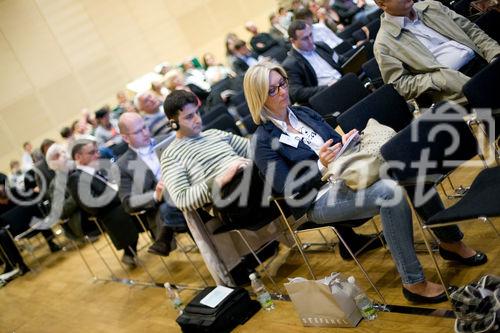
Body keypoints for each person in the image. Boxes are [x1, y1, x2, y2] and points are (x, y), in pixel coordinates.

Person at [244, 61, 487, 303]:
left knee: (408, 167)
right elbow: (288, 189)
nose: (283, 92)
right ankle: (413, 282)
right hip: (316, 199)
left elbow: (334, 143)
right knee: (390, 193)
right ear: (259, 98)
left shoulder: (304, 113)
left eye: (282, 84)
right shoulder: (262, 141)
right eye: (272, 90)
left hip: (347, 173)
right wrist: (320, 165)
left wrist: (347, 141)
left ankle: (451, 242)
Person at [161, 89, 378, 259]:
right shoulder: (171, 155)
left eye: (196, 113)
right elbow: (181, 200)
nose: (197, 120)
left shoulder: (214, 134)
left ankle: (349, 239)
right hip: (229, 201)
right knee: (277, 155)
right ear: (173, 123)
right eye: (189, 117)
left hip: (255, 184)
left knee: (283, 153)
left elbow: (253, 150)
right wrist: (219, 179)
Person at [373, 0, 500, 105]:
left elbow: (472, 32)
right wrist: (438, 80)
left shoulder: (432, 6)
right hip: (455, 88)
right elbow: (401, 85)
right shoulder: (383, 43)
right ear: (382, 5)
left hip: (483, 61)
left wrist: (495, 56)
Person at [116, 112, 186, 256]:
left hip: (186, 188)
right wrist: (155, 195)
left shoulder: (168, 140)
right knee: (172, 205)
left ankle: (165, 236)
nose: (145, 133)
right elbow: (128, 203)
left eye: (144, 127)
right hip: (161, 207)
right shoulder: (122, 165)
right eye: (137, 132)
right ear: (125, 137)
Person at [67, 138, 139, 265]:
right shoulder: (76, 178)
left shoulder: (96, 167)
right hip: (108, 213)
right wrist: (121, 195)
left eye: (96, 151)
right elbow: (92, 205)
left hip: (119, 202)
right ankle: (132, 250)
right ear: (78, 156)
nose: (98, 154)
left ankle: (161, 235)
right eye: (92, 152)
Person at [282, 20, 343, 105]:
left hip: (343, 81)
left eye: (310, 35)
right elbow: (297, 93)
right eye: (305, 39)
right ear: (293, 41)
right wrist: (328, 87)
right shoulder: (290, 64)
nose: (310, 41)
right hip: (326, 96)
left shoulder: (320, 46)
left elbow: (340, 59)